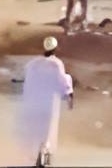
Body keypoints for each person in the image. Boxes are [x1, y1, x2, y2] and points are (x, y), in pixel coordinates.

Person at [19, 36, 73, 168]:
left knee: (36, 129)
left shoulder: (33, 64)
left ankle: (38, 159)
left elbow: (27, 81)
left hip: (34, 101)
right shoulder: (56, 64)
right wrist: (69, 95)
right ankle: (42, 160)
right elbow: (63, 81)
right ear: (55, 48)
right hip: (49, 102)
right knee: (48, 130)